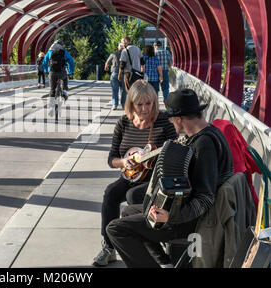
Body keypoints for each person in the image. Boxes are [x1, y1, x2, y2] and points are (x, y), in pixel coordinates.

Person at [106, 88, 233, 268]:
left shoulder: (204, 145)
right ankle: (164, 263)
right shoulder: (208, 133)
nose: (171, 123)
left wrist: (171, 216)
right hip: (189, 211)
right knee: (128, 212)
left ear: (179, 119)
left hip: (195, 220)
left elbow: (205, 198)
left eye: (171, 119)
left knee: (116, 229)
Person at [93, 80, 178, 267]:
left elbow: (176, 152)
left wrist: (162, 157)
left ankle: (151, 249)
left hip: (154, 180)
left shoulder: (164, 122)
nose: (145, 109)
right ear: (131, 104)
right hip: (129, 176)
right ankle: (108, 247)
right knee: (111, 193)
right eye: (139, 104)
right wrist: (123, 162)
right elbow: (112, 159)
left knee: (134, 197)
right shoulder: (123, 123)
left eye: (149, 103)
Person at [43, 40, 75, 117]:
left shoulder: (50, 51)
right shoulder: (64, 52)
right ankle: (64, 91)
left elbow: (45, 61)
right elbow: (71, 61)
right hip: (61, 72)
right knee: (65, 78)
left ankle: (50, 108)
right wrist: (71, 71)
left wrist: (46, 71)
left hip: (52, 73)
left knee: (52, 89)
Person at [105, 42, 127, 110]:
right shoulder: (126, 54)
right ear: (124, 48)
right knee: (123, 90)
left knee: (115, 90)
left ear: (118, 47)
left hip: (114, 73)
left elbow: (107, 62)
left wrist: (106, 67)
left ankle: (115, 105)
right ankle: (123, 104)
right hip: (123, 73)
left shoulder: (113, 54)